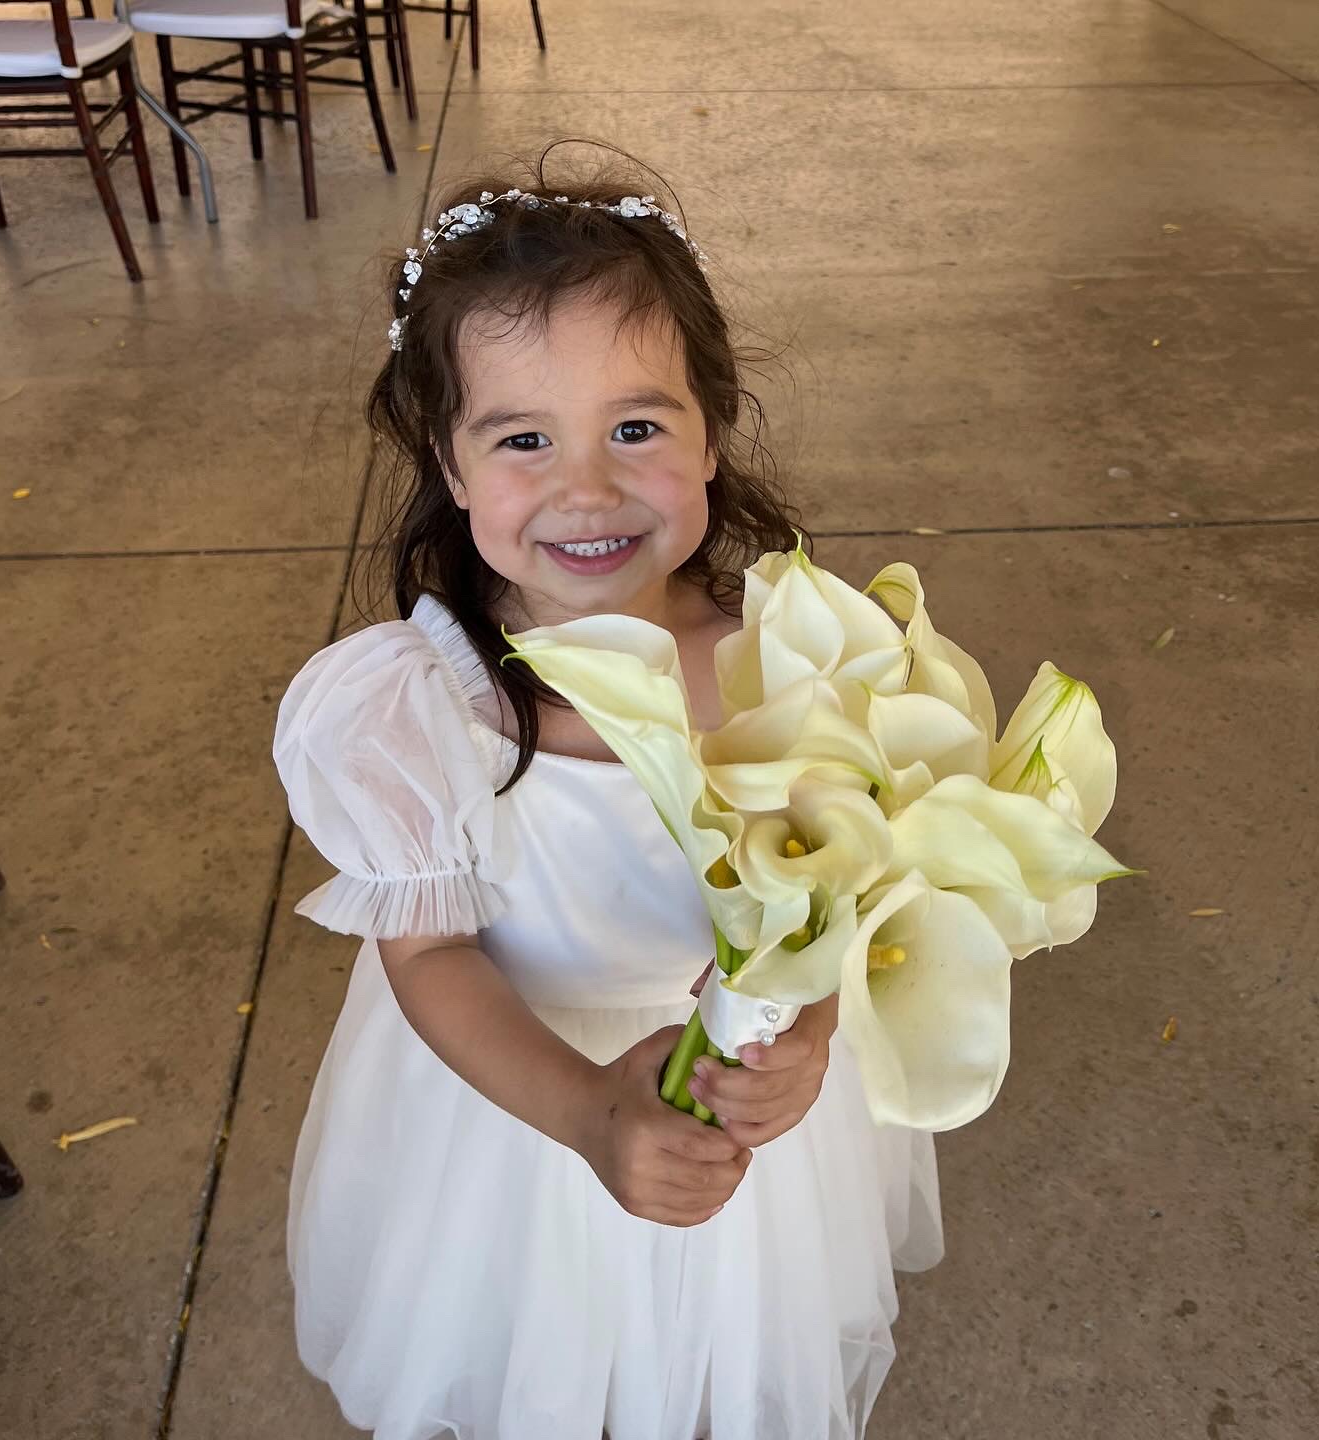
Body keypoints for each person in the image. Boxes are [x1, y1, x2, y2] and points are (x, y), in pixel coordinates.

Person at [273, 144, 943, 1440]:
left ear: (710, 430)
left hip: (739, 1108)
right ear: (449, 465)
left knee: (718, 1345)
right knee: (536, 1352)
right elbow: (430, 955)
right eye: (523, 439)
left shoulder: (795, 661)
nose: (586, 487)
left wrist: (810, 1035)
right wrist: (587, 1117)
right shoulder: (425, 705)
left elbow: (841, 895)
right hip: (526, 1109)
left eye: (636, 428)